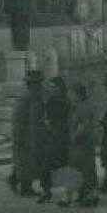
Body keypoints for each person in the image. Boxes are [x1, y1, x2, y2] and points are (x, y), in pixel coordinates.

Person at [8, 69, 45, 197]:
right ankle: (24, 187)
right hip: (27, 137)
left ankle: (22, 184)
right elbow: (31, 120)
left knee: (25, 163)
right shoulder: (30, 98)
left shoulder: (28, 97)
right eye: (38, 83)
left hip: (25, 135)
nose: (40, 86)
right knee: (27, 163)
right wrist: (35, 139)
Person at [37, 75, 70, 205]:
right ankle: (46, 192)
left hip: (64, 137)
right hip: (52, 136)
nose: (52, 89)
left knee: (65, 166)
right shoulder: (50, 101)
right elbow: (47, 118)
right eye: (51, 87)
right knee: (46, 166)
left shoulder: (67, 101)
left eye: (54, 87)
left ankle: (66, 194)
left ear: (60, 88)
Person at [66, 81, 99, 208]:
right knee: (82, 170)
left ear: (77, 94)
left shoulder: (84, 107)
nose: (70, 96)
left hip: (81, 145)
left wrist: (74, 136)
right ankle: (84, 195)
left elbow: (84, 126)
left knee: (83, 170)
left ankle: (88, 196)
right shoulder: (80, 106)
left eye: (72, 94)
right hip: (80, 145)